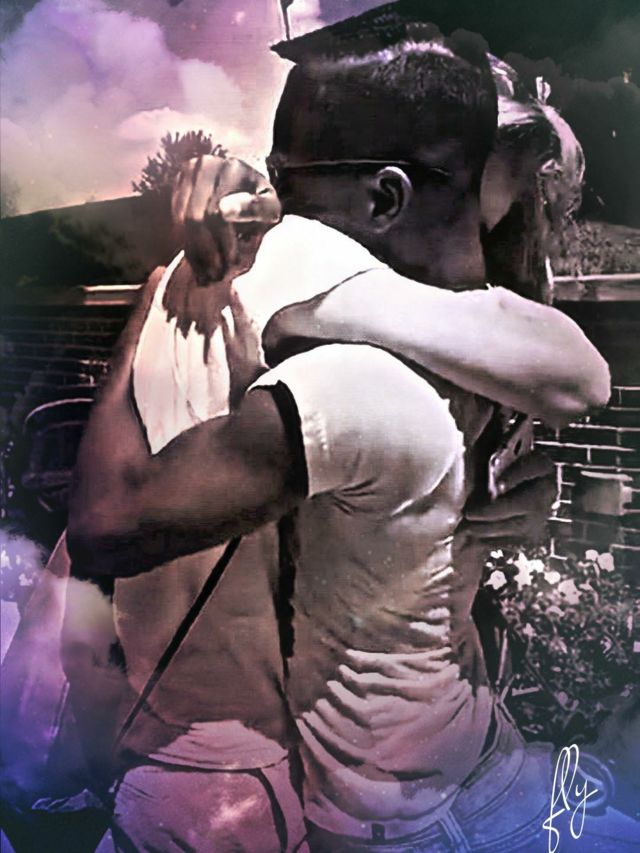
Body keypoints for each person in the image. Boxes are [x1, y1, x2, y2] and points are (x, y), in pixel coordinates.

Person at [66, 18, 626, 852]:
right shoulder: (350, 331)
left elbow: (572, 376)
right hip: (333, 785)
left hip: (276, 779)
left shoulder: (331, 313)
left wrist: (166, 294)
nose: (275, 201)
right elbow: (580, 377)